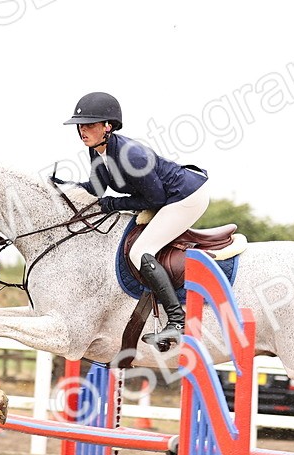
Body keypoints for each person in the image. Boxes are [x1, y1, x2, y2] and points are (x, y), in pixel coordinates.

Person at [62, 91, 210, 352]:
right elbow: (97, 188)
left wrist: (115, 204)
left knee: (141, 250)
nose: (82, 130)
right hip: (168, 197)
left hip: (185, 197)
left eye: (89, 125)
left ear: (108, 126)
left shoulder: (130, 155)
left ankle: (177, 320)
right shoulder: (97, 150)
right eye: (80, 125)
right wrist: (64, 187)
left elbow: (155, 199)